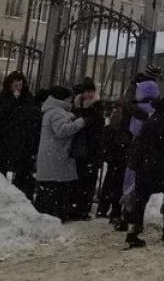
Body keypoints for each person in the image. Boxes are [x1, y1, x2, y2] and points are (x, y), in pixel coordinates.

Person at [124, 94, 164, 248]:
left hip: (144, 166)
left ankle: (133, 232)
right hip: (158, 168)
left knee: (140, 200)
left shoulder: (153, 119)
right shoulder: (163, 122)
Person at [34, 86, 87, 220]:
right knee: (56, 189)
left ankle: (51, 213)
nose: (71, 102)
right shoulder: (58, 112)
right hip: (56, 157)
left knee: (49, 190)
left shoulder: (51, 111)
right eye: (69, 99)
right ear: (63, 99)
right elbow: (62, 130)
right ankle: (56, 215)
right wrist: (80, 122)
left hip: (52, 157)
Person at [115, 77, 158, 230]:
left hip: (136, 152)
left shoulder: (137, 110)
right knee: (140, 188)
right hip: (150, 155)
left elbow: (134, 130)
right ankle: (136, 218)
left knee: (130, 184)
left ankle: (127, 216)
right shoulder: (155, 110)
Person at [0, 70, 38, 198]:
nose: (18, 87)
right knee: (0, 170)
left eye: (20, 84)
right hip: (4, 139)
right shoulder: (1, 98)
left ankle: (21, 197)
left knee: (22, 172)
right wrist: (12, 100)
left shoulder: (28, 98)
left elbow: (33, 117)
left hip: (23, 141)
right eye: (15, 84)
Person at [98, 85, 134, 220]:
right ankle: (114, 209)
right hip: (121, 153)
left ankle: (104, 208)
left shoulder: (116, 114)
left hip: (115, 153)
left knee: (110, 181)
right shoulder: (126, 115)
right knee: (118, 183)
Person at [70, 78, 103, 220]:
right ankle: (75, 207)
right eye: (86, 92)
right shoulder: (77, 106)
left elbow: (97, 128)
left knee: (88, 181)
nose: (89, 95)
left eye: (91, 91)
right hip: (79, 147)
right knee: (78, 178)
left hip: (91, 148)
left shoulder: (97, 107)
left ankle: (84, 209)